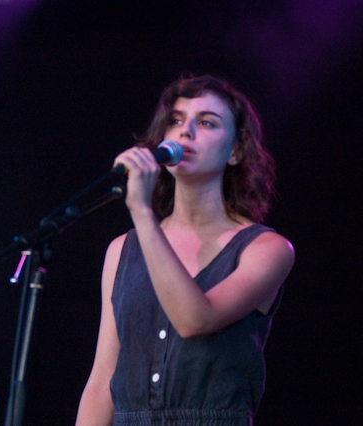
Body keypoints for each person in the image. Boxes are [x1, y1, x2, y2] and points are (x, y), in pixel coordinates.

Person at [76, 75, 295, 426]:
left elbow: (196, 320)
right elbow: (103, 380)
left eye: (207, 122)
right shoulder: (122, 250)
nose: (186, 132)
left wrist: (142, 211)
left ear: (236, 151)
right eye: (176, 120)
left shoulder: (266, 249)